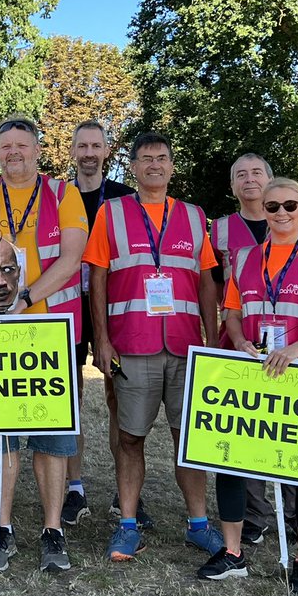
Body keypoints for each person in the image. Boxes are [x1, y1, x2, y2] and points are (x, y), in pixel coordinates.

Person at [199, 177, 298, 592]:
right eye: (272, 207)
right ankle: (233, 553)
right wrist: (242, 337)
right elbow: (231, 312)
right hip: (252, 373)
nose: (281, 214)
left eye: (289, 205)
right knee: (230, 459)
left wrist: (295, 349)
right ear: (262, 211)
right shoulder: (246, 258)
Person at [0, 115, 87, 573]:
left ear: (37, 150)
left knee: (52, 438)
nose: (13, 152)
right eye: (5, 146)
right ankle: (2, 528)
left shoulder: (62, 194)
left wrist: (26, 297)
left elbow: (72, 258)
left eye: (21, 145)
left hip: (51, 331)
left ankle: (53, 529)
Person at [85, 131, 223, 563]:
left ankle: (198, 525)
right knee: (130, 438)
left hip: (185, 346)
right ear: (133, 167)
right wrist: (102, 340)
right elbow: (99, 279)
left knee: (190, 439)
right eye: (145, 159)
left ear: (171, 165)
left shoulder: (193, 215)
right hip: (132, 344)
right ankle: (127, 524)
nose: (154, 166)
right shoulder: (111, 213)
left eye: (161, 158)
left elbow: (205, 282)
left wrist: (213, 338)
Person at [209, 153, 285, 544]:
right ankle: (256, 516)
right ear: (233, 185)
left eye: (257, 172)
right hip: (237, 342)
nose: (249, 180)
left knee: (286, 430)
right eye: (241, 174)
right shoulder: (219, 231)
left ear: (269, 180)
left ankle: (294, 514)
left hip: (287, 346)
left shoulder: (293, 218)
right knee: (244, 431)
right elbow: (211, 287)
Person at [66, 121, 137, 528]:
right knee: (69, 397)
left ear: (107, 151)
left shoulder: (126, 199)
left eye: (96, 145)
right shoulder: (59, 196)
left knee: (119, 396)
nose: (90, 152)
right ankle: (75, 488)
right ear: (73, 151)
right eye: (83, 145)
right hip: (69, 307)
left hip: (115, 310)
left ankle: (123, 491)